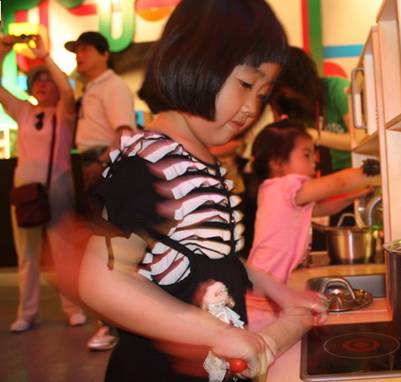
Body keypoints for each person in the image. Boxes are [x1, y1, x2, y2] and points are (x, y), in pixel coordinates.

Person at [77, 1, 326, 381]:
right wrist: (216, 331)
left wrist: (282, 294)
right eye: (245, 84)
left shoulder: (201, 160)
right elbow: (101, 280)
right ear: (192, 60)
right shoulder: (148, 162)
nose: (250, 108)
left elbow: (216, 257)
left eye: (262, 94)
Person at [0, 35, 87, 332]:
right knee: (27, 256)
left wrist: (44, 56)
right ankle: (27, 312)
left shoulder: (64, 113)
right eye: (37, 79)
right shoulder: (23, 110)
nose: (43, 84)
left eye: (47, 79)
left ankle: (72, 308)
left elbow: (67, 90)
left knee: (64, 254)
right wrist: (3, 52)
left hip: (58, 190)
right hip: (26, 193)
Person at [64, 30, 136, 350]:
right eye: (76, 50)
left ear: (104, 53)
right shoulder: (90, 87)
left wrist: (103, 165)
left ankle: (113, 325)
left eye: (86, 49)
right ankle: (113, 322)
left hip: (104, 165)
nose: (80, 55)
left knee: (108, 247)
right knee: (100, 245)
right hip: (91, 164)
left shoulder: (113, 85)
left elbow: (124, 132)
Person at [246, 119, 379, 284]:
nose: (314, 160)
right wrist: (374, 170)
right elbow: (339, 182)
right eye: (306, 155)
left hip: (266, 277)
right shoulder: (284, 186)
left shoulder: (274, 192)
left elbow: (320, 209)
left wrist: (350, 197)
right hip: (268, 279)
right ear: (277, 163)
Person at [269, 46, 356, 174]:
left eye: (282, 88)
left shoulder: (337, 89)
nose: (283, 93)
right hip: (315, 175)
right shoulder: (286, 105)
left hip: (351, 168)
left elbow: (357, 141)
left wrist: (315, 136)